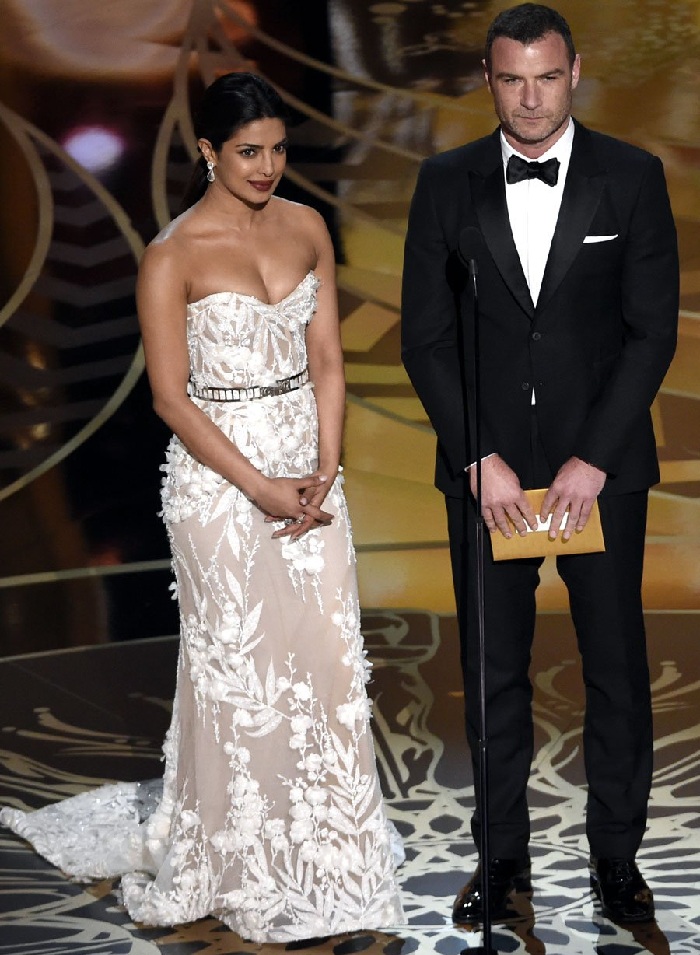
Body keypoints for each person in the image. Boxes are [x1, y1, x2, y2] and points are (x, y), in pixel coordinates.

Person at [1, 72, 403, 943]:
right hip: (219, 485)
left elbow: (328, 356)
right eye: (249, 152)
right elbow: (172, 399)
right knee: (244, 675)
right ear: (209, 152)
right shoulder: (172, 254)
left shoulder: (307, 226)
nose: (267, 167)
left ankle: (331, 847)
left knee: (325, 662)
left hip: (310, 465)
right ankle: (241, 854)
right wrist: (260, 485)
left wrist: (327, 464)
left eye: (279, 150)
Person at [401, 3, 678, 927]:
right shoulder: (445, 182)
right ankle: (501, 861)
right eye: (512, 79)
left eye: (547, 78)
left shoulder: (633, 178)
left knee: (614, 669)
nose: (530, 97)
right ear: (489, 79)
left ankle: (617, 862)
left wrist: (593, 458)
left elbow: (652, 333)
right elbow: (426, 339)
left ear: (575, 73)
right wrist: (474, 454)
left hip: (598, 471)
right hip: (491, 478)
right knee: (493, 674)